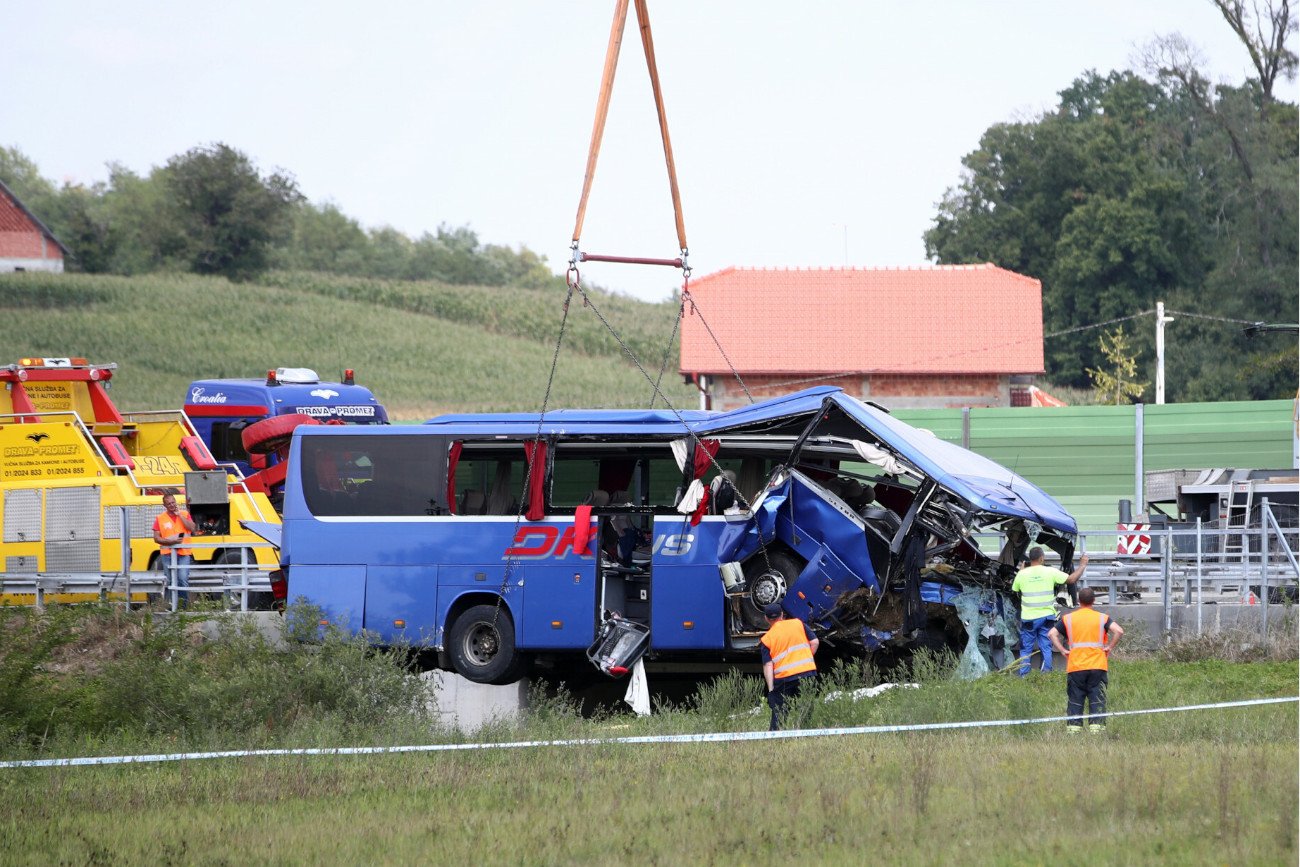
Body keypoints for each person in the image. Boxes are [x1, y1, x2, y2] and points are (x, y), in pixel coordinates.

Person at [1049, 587, 1123, 733]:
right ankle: (1097, 731)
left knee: (1075, 700)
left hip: (1076, 665)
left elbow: (1052, 634)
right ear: (1093, 601)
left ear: (1078, 601)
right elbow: (1119, 631)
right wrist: (1109, 647)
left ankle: (1074, 731)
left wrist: (1063, 650)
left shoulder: (1068, 619)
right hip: (1098, 665)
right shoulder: (1102, 618)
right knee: (1097, 699)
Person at [1011, 546, 1088, 676]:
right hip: (1046, 617)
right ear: (1042, 558)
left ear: (1030, 559)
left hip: (1029, 618)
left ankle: (1024, 676)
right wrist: (1082, 565)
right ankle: (1046, 675)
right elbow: (1071, 579)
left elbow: (1015, 590)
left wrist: (1021, 571)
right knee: (1046, 646)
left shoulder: (1022, 574)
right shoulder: (1050, 571)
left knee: (1026, 648)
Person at [760, 602, 818, 731]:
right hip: (807, 673)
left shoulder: (766, 639)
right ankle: (805, 731)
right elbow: (815, 642)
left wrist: (771, 690)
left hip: (784, 679)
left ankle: (776, 736)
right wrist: (806, 659)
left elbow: (768, 665)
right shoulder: (798, 623)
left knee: (780, 711)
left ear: (766, 618)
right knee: (807, 706)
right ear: (782, 615)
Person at [153, 491, 196, 608]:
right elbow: (156, 538)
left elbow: (192, 528)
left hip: (183, 553)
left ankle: (183, 607)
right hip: (167, 554)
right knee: (170, 580)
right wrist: (171, 542)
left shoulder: (184, 514)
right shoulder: (160, 518)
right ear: (164, 505)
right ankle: (171, 606)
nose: (172, 505)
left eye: (173, 502)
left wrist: (179, 515)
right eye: (169, 504)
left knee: (182, 579)